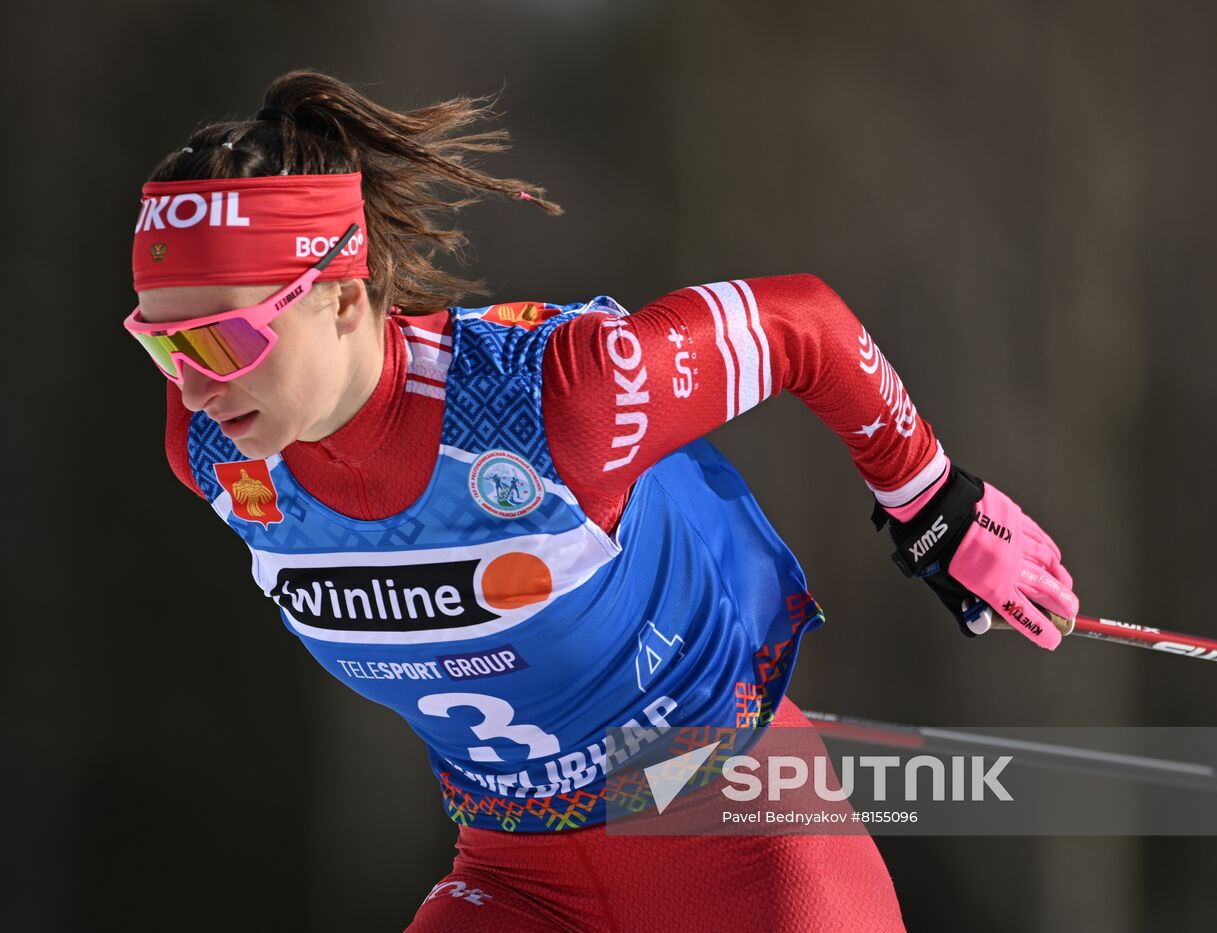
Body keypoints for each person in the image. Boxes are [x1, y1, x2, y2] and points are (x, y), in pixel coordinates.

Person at [124, 69, 1079, 931]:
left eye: (222, 339)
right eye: (163, 346)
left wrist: (931, 499)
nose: (194, 385)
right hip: (514, 877)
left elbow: (804, 324)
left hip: (739, 837)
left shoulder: (554, 402)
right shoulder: (212, 447)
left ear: (338, 293)